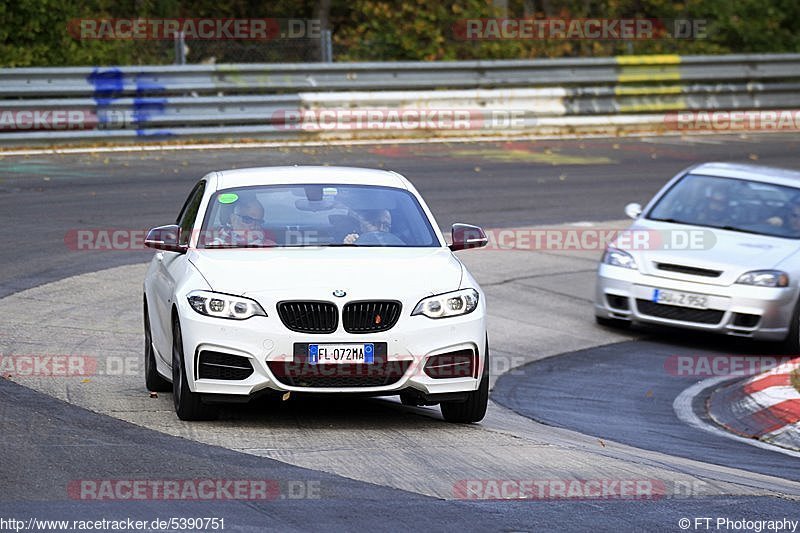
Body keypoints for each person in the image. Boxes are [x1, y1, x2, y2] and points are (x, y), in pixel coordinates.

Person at [211, 195, 275, 246]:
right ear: (233, 219)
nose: (254, 225)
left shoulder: (271, 247)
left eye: (258, 222)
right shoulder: (215, 247)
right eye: (248, 220)